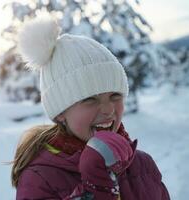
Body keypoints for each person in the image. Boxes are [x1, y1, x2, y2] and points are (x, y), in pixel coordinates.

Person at [11, 17, 170, 200]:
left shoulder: (142, 164)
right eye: (90, 99)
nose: (108, 110)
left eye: (115, 96)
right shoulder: (40, 180)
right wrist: (97, 184)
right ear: (61, 112)